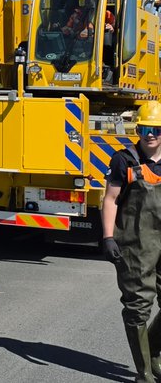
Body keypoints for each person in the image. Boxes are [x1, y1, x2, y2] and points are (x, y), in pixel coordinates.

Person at [101, 101, 161, 382]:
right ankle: (145, 373)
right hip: (135, 246)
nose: (150, 134)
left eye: (156, 129)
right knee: (138, 308)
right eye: (145, 128)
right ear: (137, 129)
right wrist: (108, 237)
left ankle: (153, 353)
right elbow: (110, 199)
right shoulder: (124, 160)